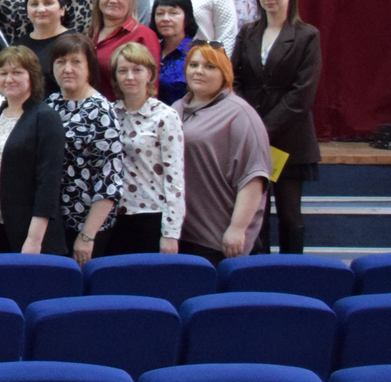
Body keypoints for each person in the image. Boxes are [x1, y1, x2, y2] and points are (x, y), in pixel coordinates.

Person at [233, 0, 322, 255]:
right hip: (251, 135)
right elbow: (234, 79)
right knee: (254, 213)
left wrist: (264, 128)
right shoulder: (247, 32)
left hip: (289, 138)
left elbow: (302, 94)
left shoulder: (307, 35)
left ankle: (292, 269)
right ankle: (257, 268)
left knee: (289, 213)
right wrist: (250, 124)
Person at [177, 43, 271, 262]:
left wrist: (237, 228)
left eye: (210, 67)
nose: (199, 71)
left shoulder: (240, 114)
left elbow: (253, 176)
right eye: (193, 65)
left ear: (225, 74)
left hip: (217, 238)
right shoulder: (176, 108)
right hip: (180, 234)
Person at [44, 33, 125, 264]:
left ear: (89, 67)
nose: (67, 69)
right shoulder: (50, 104)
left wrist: (87, 236)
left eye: (76, 62)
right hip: (52, 223)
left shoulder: (101, 111)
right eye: (61, 62)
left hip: (85, 226)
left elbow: (109, 180)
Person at [0, 46, 66, 255]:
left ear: (32, 76)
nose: (9, 79)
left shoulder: (45, 117)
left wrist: (34, 239)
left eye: (17, 72)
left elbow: (48, 183)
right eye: (3, 73)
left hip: (32, 232)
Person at [107, 42, 186, 257]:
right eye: (122, 71)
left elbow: (175, 178)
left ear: (149, 74)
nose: (129, 77)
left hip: (151, 215)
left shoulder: (165, 116)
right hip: (112, 216)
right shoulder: (109, 114)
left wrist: (171, 233)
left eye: (137, 70)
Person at [89, 0, 159, 97]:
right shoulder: (90, 33)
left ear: (131, 0)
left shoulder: (143, 35)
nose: (113, 0)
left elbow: (152, 88)